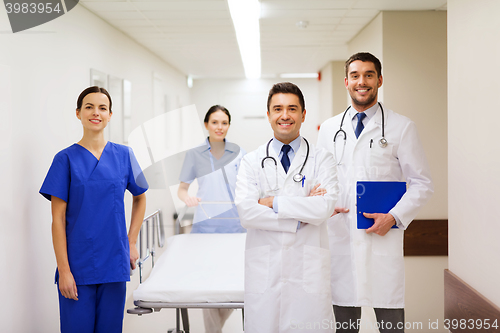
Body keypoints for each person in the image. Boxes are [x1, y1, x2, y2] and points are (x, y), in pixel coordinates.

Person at [317, 52, 434, 332]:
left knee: (391, 325)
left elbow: (422, 183)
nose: (362, 81)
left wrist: (393, 217)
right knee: (343, 325)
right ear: (346, 81)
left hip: (382, 239)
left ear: (379, 80)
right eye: (355, 75)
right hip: (340, 237)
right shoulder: (330, 129)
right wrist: (323, 202)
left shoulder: (401, 127)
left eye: (369, 75)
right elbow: (320, 181)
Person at [40, 86, 148, 333]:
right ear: (78, 113)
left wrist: (131, 242)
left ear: (110, 115)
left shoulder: (125, 155)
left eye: (102, 108)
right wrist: (64, 271)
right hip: (77, 266)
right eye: (89, 107)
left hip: (114, 263)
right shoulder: (64, 159)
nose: (95, 112)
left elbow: (140, 198)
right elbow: (57, 219)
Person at [235, 82, 339, 333]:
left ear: (303, 114)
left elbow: (324, 207)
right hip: (265, 272)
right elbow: (247, 213)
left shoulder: (322, 158)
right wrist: (300, 214)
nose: (285, 115)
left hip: (308, 270)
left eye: (292, 109)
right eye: (278, 109)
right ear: (268, 115)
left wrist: (274, 203)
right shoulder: (251, 161)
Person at [177, 105, 246, 333]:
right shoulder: (194, 154)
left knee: (233, 284)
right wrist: (187, 198)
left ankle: (214, 329)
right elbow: (182, 189)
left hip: (235, 228)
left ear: (229, 125)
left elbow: (247, 187)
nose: (220, 127)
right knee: (209, 284)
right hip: (205, 229)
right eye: (215, 122)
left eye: (224, 123)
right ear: (206, 124)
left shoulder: (239, 152)